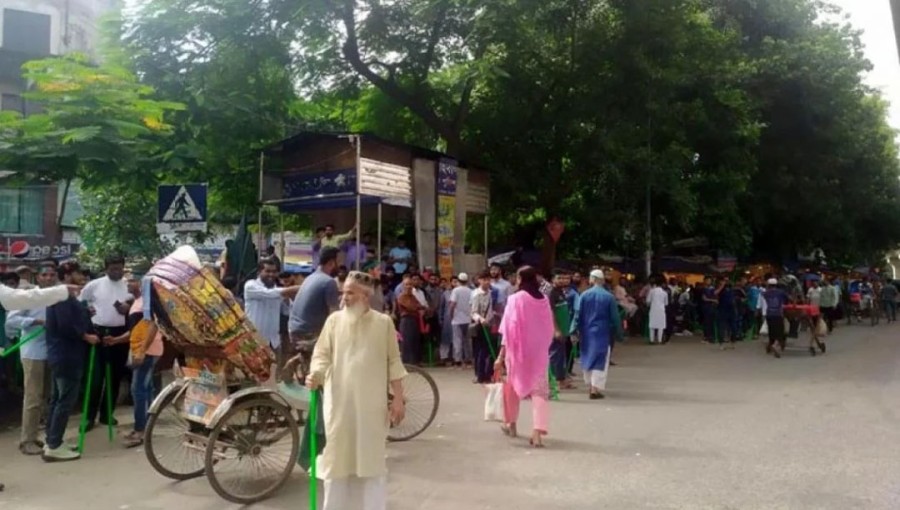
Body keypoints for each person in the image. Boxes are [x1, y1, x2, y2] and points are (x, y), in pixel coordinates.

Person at [306, 271, 407, 510]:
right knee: (336, 462)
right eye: (344, 292)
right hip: (339, 405)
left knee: (372, 463)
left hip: (371, 407)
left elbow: (394, 362)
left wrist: (398, 398)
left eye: (350, 293)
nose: (344, 297)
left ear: (365, 296)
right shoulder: (333, 322)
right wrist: (316, 375)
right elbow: (321, 355)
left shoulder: (383, 323)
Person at [493, 266, 554, 447]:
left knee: (512, 388)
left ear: (520, 279)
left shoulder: (515, 299)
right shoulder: (544, 300)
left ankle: (511, 424)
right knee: (539, 392)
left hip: (517, 352)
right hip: (538, 353)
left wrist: (500, 356)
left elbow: (508, 330)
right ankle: (537, 433)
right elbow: (548, 327)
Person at [44, 262, 98, 462]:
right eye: (77, 273)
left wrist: (84, 313)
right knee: (64, 401)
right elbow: (66, 326)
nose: (82, 276)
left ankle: (52, 440)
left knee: (58, 400)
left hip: (60, 354)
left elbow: (68, 320)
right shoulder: (63, 295)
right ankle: (54, 445)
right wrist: (86, 336)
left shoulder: (62, 295)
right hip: (67, 355)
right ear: (67, 275)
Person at [5, 262, 58, 455]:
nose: (49, 278)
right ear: (38, 277)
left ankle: (39, 436)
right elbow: (11, 321)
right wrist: (35, 321)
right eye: (45, 275)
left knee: (47, 397)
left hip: (52, 353)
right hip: (33, 353)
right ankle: (26, 440)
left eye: (52, 275)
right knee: (33, 397)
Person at [79, 254, 134, 429]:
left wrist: (128, 308)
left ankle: (106, 414)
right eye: (112, 269)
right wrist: (87, 309)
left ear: (123, 268)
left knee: (115, 377)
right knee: (94, 378)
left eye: (119, 268)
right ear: (106, 268)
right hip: (98, 334)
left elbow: (137, 306)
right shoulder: (94, 285)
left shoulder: (129, 286)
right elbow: (81, 302)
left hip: (120, 335)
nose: (116, 272)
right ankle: (88, 417)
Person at [120, 281, 165, 448]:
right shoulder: (139, 302)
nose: (127, 283)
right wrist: (117, 340)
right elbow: (136, 330)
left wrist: (142, 350)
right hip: (143, 350)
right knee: (144, 389)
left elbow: (153, 326)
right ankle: (145, 426)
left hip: (147, 351)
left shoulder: (148, 302)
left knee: (138, 389)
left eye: (132, 279)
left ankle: (141, 430)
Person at [288, 246, 341, 377]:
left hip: (294, 329)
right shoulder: (329, 282)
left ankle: (301, 360)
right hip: (309, 334)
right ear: (331, 263)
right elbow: (334, 316)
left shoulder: (311, 277)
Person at [244, 259, 300, 379]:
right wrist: (298, 288)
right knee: (254, 376)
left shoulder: (278, 290)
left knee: (273, 377)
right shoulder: (251, 285)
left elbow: (285, 311)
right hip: (255, 342)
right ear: (259, 272)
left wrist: (287, 299)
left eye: (274, 272)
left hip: (273, 342)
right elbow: (270, 294)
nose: (271, 274)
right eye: (267, 271)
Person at [572, 269, 622, 399]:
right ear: (602, 280)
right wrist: (619, 333)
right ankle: (595, 388)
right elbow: (615, 317)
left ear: (593, 279)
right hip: (602, 333)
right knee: (601, 360)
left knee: (587, 357)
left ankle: (590, 385)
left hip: (586, 332)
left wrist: (573, 330)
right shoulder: (609, 297)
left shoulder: (583, 295)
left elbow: (577, 315)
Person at [548, 273, 573, 388]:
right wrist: (556, 330)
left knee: (561, 356)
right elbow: (550, 312)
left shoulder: (561, 292)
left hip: (564, 330)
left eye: (564, 278)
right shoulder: (551, 293)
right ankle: (552, 381)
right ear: (553, 279)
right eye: (559, 278)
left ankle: (561, 380)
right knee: (554, 356)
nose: (562, 280)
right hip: (556, 332)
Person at [470, 271, 495, 383]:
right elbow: (473, 312)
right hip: (479, 326)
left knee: (489, 351)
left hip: (489, 325)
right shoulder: (476, 294)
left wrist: (490, 320)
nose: (486, 282)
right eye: (484, 280)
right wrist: (481, 319)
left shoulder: (491, 293)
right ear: (479, 280)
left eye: (488, 280)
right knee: (480, 352)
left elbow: (491, 309)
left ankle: (488, 375)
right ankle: (480, 375)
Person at [397, 275, 426, 364]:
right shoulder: (401, 297)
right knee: (406, 342)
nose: (409, 286)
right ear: (403, 286)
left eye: (410, 284)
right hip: (406, 320)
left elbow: (420, 305)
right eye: (406, 284)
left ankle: (415, 361)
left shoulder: (413, 296)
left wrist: (420, 307)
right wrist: (419, 307)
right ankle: (407, 362)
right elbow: (411, 307)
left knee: (414, 341)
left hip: (414, 319)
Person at [449, 273, 473, 367]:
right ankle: (468, 359)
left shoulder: (455, 290)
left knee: (457, 340)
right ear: (467, 281)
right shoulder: (470, 291)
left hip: (457, 319)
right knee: (467, 340)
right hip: (468, 319)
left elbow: (452, 304)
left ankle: (458, 360)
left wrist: (451, 315)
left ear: (458, 280)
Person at [762, 278, 790, 358]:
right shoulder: (781, 292)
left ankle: (770, 345)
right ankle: (775, 345)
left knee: (771, 331)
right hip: (778, 314)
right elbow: (787, 300)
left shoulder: (766, 293)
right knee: (780, 331)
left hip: (769, 314)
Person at [647, 276, 668, 344]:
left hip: (653, 309)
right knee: (661, 326)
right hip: (661, 310)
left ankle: (651, 340)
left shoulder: (651, 291)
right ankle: (659, 340)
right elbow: (666, 303)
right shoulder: (665, 293)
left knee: (652, 325)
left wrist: (649, 305)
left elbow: (648, 301)